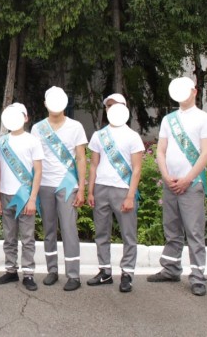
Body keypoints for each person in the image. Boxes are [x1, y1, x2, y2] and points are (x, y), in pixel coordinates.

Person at [148, 77, 207, 296]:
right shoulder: (168, 120)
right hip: (170, 183)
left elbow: (206, 153)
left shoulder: (204, 119)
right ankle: (170, 269)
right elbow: (161, 151)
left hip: (192, 184)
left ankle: (197, 277)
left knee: (194, 231)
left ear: (194, 92)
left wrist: (187, 179)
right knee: (171, 229)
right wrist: (166, 176)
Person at [31, 87, 87, 291]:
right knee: (48, 230)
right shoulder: (37, 128)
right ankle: (52, 270)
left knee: (69, 229)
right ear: (45, 104)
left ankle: (73, 275)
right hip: (45, 184)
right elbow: (34, 159)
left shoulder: (76, 126)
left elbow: (81, 158)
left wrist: (81, 188)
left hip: (67, 184)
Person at [86, 94, 144, 293]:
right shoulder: (99, 135)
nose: (111, 108)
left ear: (124, 108)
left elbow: (137, 169)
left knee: (128, 233)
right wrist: (90, 191)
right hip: (101, 188)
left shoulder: (133, 136)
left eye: (116, 105)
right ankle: (105, 271)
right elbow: (93, 165)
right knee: (101, 232)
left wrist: (130, 196)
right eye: (109, 106)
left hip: (123, 190)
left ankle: (127, 273)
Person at [0, 103, 44, 291]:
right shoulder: (1, 142)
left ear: (26, 117)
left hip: (25, 196)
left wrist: (32, 199)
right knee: (9, 236)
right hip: (5, 194)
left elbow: (38, 172)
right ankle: (11, 270)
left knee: (27, 237)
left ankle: (28, 274)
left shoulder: (33, 141)